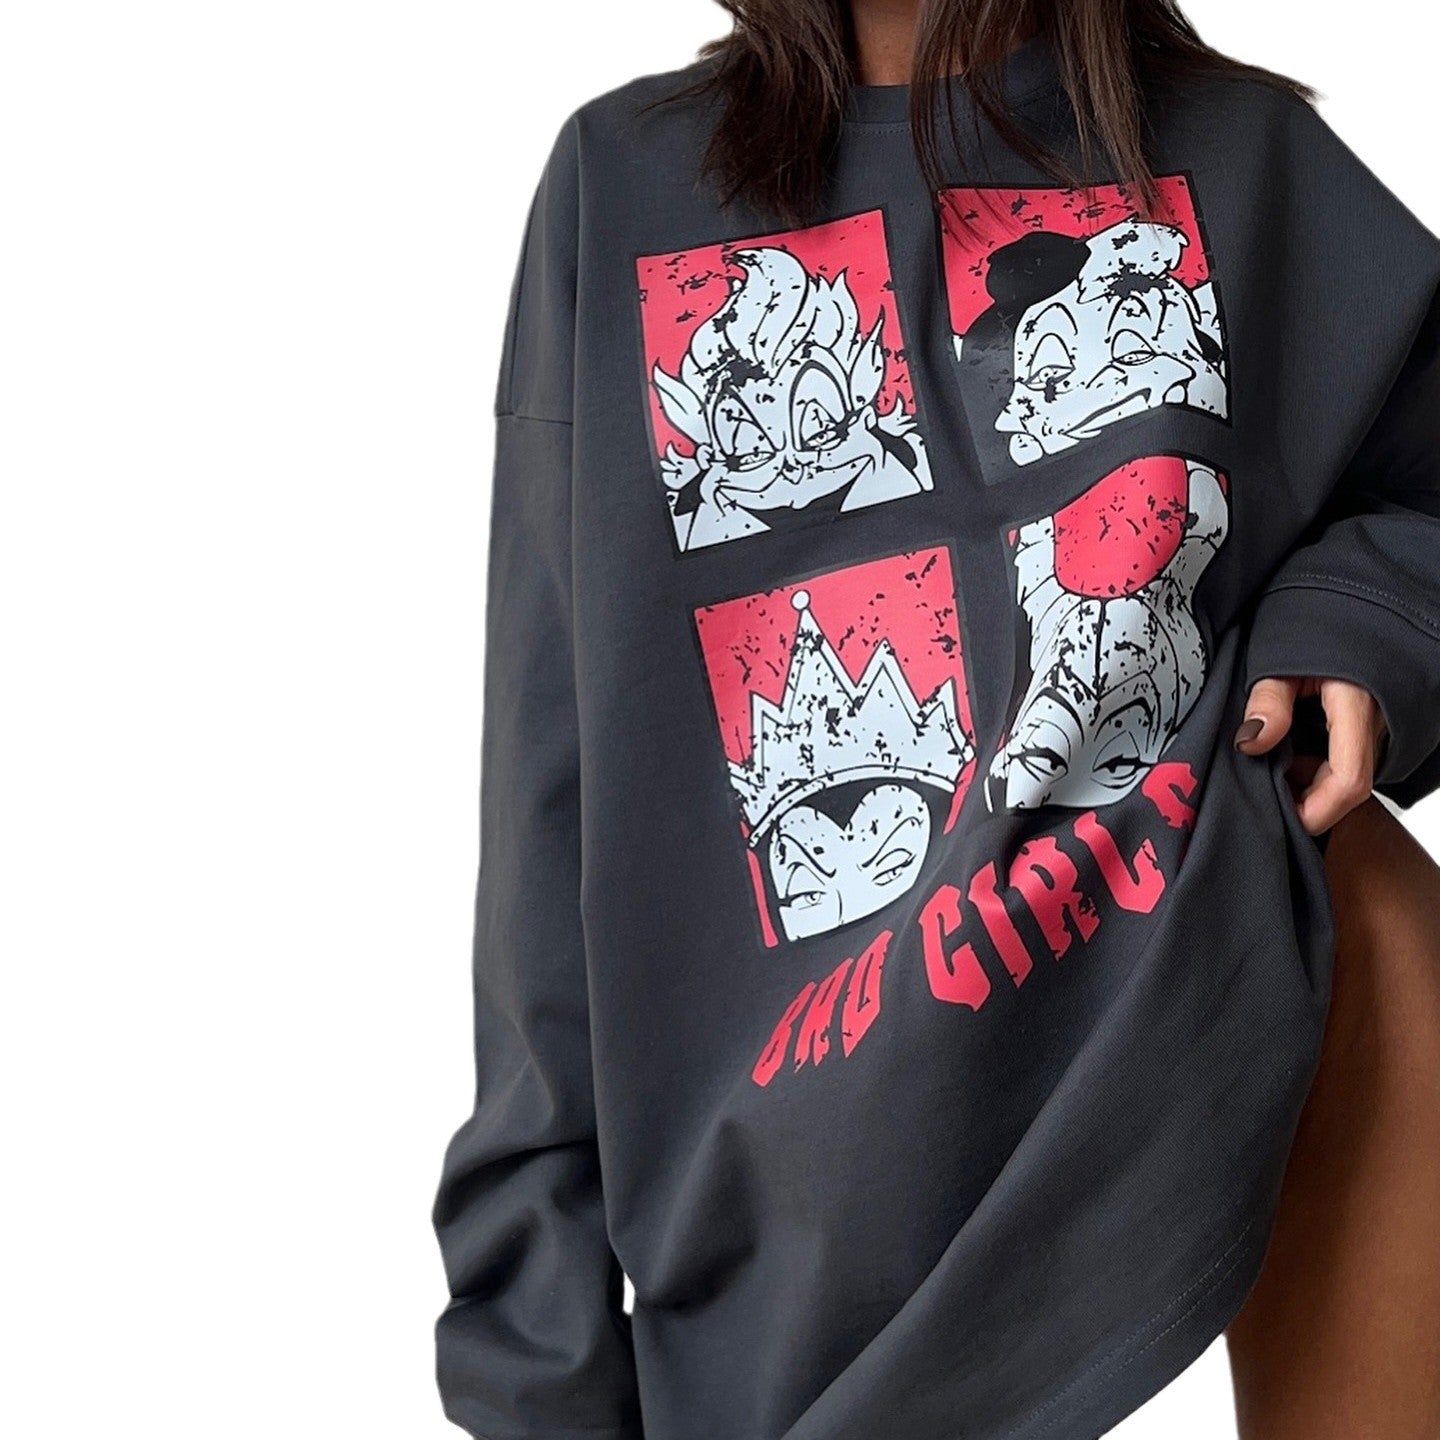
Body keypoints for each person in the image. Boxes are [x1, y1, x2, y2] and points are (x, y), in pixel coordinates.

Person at [433, 2, 1440, 1437]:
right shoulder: (622, 182)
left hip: (1186, 1018)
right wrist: (536, 1362)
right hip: (797, 1238)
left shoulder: (1246, 157)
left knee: (1370, 903)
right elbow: (553, 799)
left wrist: (1357, 624)